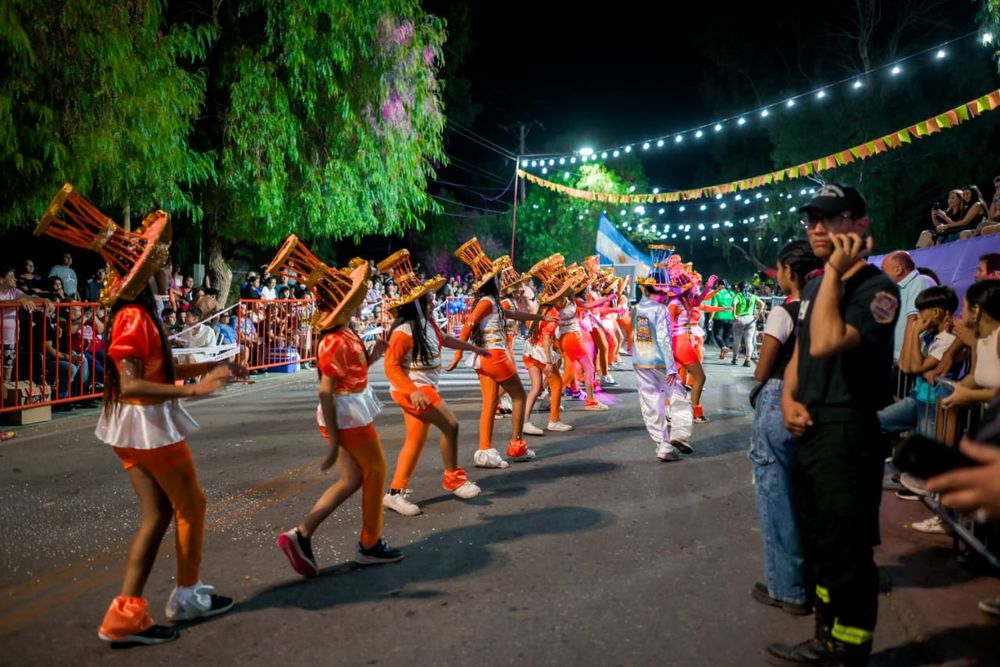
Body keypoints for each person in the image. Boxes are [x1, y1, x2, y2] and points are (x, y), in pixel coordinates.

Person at [34, 184, 240, 646]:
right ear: (146, 271)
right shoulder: (131, 318)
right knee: (192, 506)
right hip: (146, 425)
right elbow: (131, 383)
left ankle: (125, 614)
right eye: (162, 263)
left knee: (160, 515)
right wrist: (197, 390)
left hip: (136, 426)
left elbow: (157, 365)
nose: (168, 269)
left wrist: (213, 366)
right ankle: (186, 594)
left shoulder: (141, 314)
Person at [770, 184, 898, 665]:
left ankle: (850, 649)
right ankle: (826, 636)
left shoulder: (877, 288)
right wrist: (786, 396)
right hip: (811, 427)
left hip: (848, 428)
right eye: (812, 220)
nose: (817, 228)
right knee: (818, 539)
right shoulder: (822, 284)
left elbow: (825, 341)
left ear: (860, 225)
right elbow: (802, 348)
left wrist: (839, 276)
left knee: (846, 548)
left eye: (831, 218)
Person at [271, 235, 404, 577]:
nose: (362, 301)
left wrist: (372, 357)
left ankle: (301, 535)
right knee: (375, 472)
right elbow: (327, 392)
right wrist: (332, 442)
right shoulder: (333, 340)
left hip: (348, 411)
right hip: (345, 416)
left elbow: (348, 377)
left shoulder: (345, 334)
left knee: (352, 479)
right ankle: (370, 544)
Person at [377, 249, 488, 516]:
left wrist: (474, 349)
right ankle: (454, 477)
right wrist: (412, 391)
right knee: (451, 425)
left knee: (415, 439)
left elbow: (446, 340)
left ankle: (394, 493)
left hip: (420, 389)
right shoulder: (403, 332)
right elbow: (390, 368)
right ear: (416, 303)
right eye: (429, 299)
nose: (433, 301)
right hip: (415, 390)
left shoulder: (428, 324)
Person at [749, 241, 821, 616]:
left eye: (779, 271)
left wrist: (759, 384)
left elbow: (763, 367)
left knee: (774, 494)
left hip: (779, 396)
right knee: (803, 494)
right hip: (814, 401)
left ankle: (786, 587)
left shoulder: (785, 311)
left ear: (790, 272)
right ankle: (809, 581)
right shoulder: (825, 307)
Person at [447, 239, 552, 468]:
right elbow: (468, 325)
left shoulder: (494, 301)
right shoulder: (487, 301)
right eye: (498, 277)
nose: (501, 280)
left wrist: (540, 318)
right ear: (492, 281)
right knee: (519, 396)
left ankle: (485, 451)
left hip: (485, 358)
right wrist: (456, 355)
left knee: (490, 403)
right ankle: (516, 445)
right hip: (495, 356)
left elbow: (515, 317)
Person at [632, 271, 688, 461]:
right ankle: (679, 435)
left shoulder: (638, 307)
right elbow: (663, 338)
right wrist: (671, 366)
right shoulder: (660, 309)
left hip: (640, 361)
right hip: (660, 362)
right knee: (679, 394)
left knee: (651, 404)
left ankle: (663, 445)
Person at [879, 251, 937, 366]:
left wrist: (904, 358)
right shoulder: (896, 289)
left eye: (883, 269)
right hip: (894, 359)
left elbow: (913, 320)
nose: (881, 274)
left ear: (898, 270)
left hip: (907, 361)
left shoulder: (920, 281)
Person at [732, 281, 764, 367]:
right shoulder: (753, 296)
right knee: (749, 341)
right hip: (751, 319)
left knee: (737, 340)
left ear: (739, 288)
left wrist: (734, 314)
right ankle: (747, 360)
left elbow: (734, 304)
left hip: (740, 319)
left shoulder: (738, 295)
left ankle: (735, 358)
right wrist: (758, 314)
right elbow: (762, 304)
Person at [709, 280, 736, 358]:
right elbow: (735, 306)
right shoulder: (732, 294)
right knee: (726, 336)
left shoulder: (716, 293)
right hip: (730, 317)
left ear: (718, 285)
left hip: (719, 317)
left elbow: (714, 307)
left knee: (717, 335)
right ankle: (724, 351)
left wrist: (710, 318)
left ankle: (723, 348)